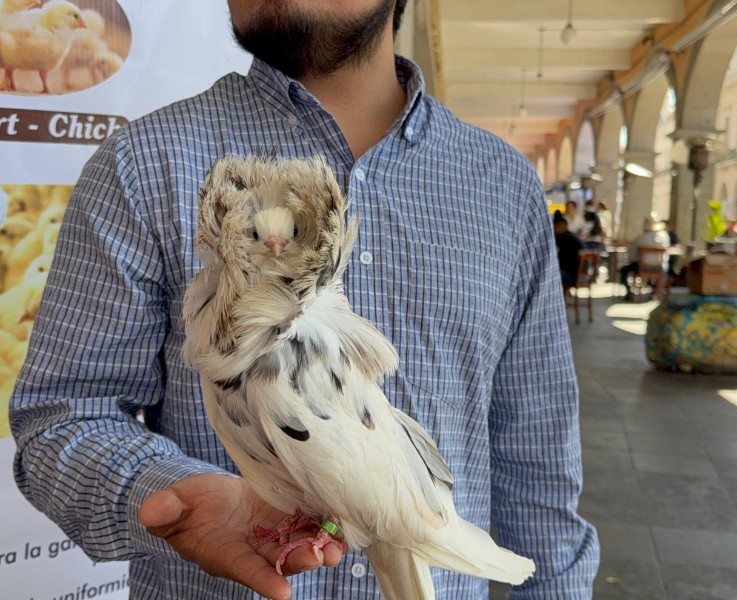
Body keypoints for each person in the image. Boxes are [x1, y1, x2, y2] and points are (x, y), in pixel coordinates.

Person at [9, 2, 599, 599]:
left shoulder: (503, 186)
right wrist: (170, 489)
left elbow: (537, 454)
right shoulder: (142, 165)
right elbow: (65, 413)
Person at [619, 212, 670, 299]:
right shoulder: (664, 236)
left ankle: (628, 293)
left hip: (642, 267)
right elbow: (666, 255)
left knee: (624, 270)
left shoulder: (641, 238)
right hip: (660, 268)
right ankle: (654, 291)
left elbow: (633, 255)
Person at [554, 214, 586, 285]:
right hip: (582, 277)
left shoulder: (562, 238)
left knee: (549, 274)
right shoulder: (572, 236)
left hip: (571, 276)